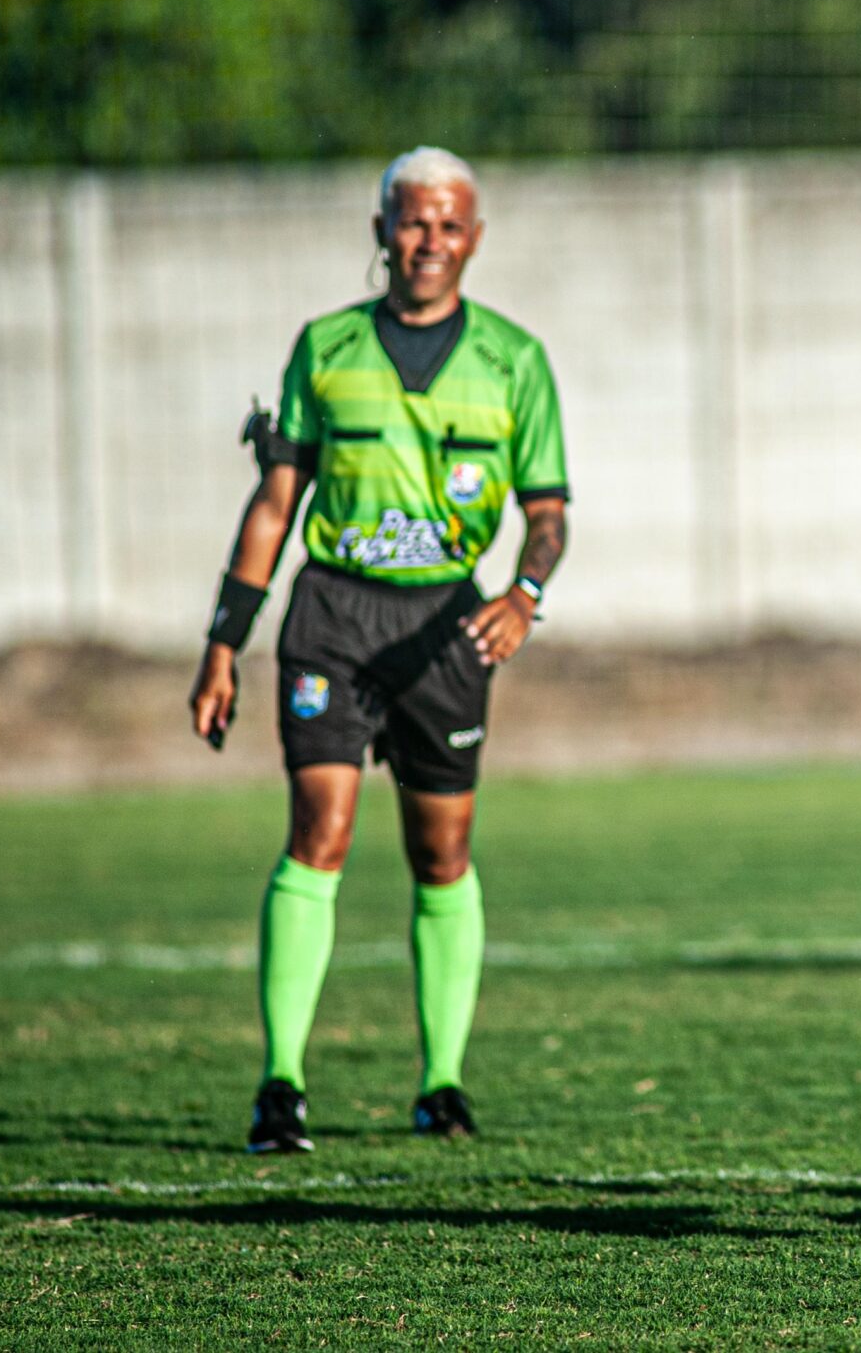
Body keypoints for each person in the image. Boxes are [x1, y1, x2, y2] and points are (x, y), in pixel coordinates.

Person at [189, 147, 570, 1155]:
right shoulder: (324, 349)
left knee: (441, 853)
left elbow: (547, 514)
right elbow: (275, 506)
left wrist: (526, 595)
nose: (429, 242)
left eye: (449, 225)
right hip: (332, 620)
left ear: (474, 239)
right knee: (322, 828)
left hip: (447, 626)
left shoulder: (515, 362)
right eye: (412, 222)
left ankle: (442, 1082)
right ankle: (282, 1085)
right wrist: (225, 644)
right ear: (380, 232)